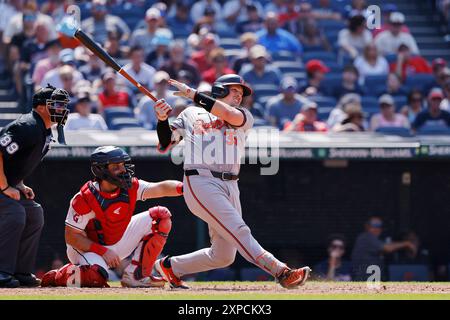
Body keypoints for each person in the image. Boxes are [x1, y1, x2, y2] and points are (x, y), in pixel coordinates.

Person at [153, 74, 311, 289]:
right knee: (240, 230)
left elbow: (226, 113)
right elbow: (165, 144)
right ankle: (281, 271)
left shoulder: (244, 115)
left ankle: (172, 266)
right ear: (219, 89)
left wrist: (191, 93)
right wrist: (162, 119)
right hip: (201, 180)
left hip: (230, 184)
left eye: (241, 93)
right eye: (234, 90)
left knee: (223, 255)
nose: (239, 96)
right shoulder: (191, 113)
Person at [40, 146, 184, 288]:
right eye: (116, 166)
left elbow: (160, 188)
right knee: (95, 278)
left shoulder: (130, 187)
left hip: (117, 241)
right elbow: (71, 237)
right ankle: (58, 276)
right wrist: (103, 251)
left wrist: (185, 188)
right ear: (101, 170)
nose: (122, 170)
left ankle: (136, 276)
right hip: (87, 248)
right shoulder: (84, 198)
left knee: (161, 217)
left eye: (123, 165)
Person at [0, 85, 69, 288]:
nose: (62, 109)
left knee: (33, 213)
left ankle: (20, 271)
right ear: (40, 107)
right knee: (15, 213)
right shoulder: (27, 126)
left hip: (7, 184)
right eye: (56, 104)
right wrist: (4, 187)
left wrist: (19, 184)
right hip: (1, 186)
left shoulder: (44, 130)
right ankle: (2, 272)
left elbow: (16, 161)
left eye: (63, 105)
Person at [351, 216, 417, 281]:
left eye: (379, 226)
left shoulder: (376, 240)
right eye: (373, 225)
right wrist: (407, 243)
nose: (376, 228)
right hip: (364, 281)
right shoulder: (366, 237)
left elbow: (388, 247)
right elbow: (388, 248)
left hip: (372, 281)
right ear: (367, 226)